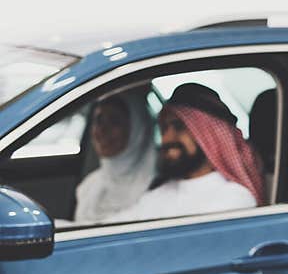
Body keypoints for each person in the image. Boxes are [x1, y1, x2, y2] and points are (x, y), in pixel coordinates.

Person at [104, 83, 265, 222]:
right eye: (164, 129)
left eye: (179, 127)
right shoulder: (161, 193)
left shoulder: (234, 198)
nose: (167, 138)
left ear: (207, 135)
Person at [73, 89, 157, 223]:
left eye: (115, 121)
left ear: (137, 129)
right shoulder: (89, 186)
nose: (102, 130)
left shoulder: (155, 190)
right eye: (99, 120)